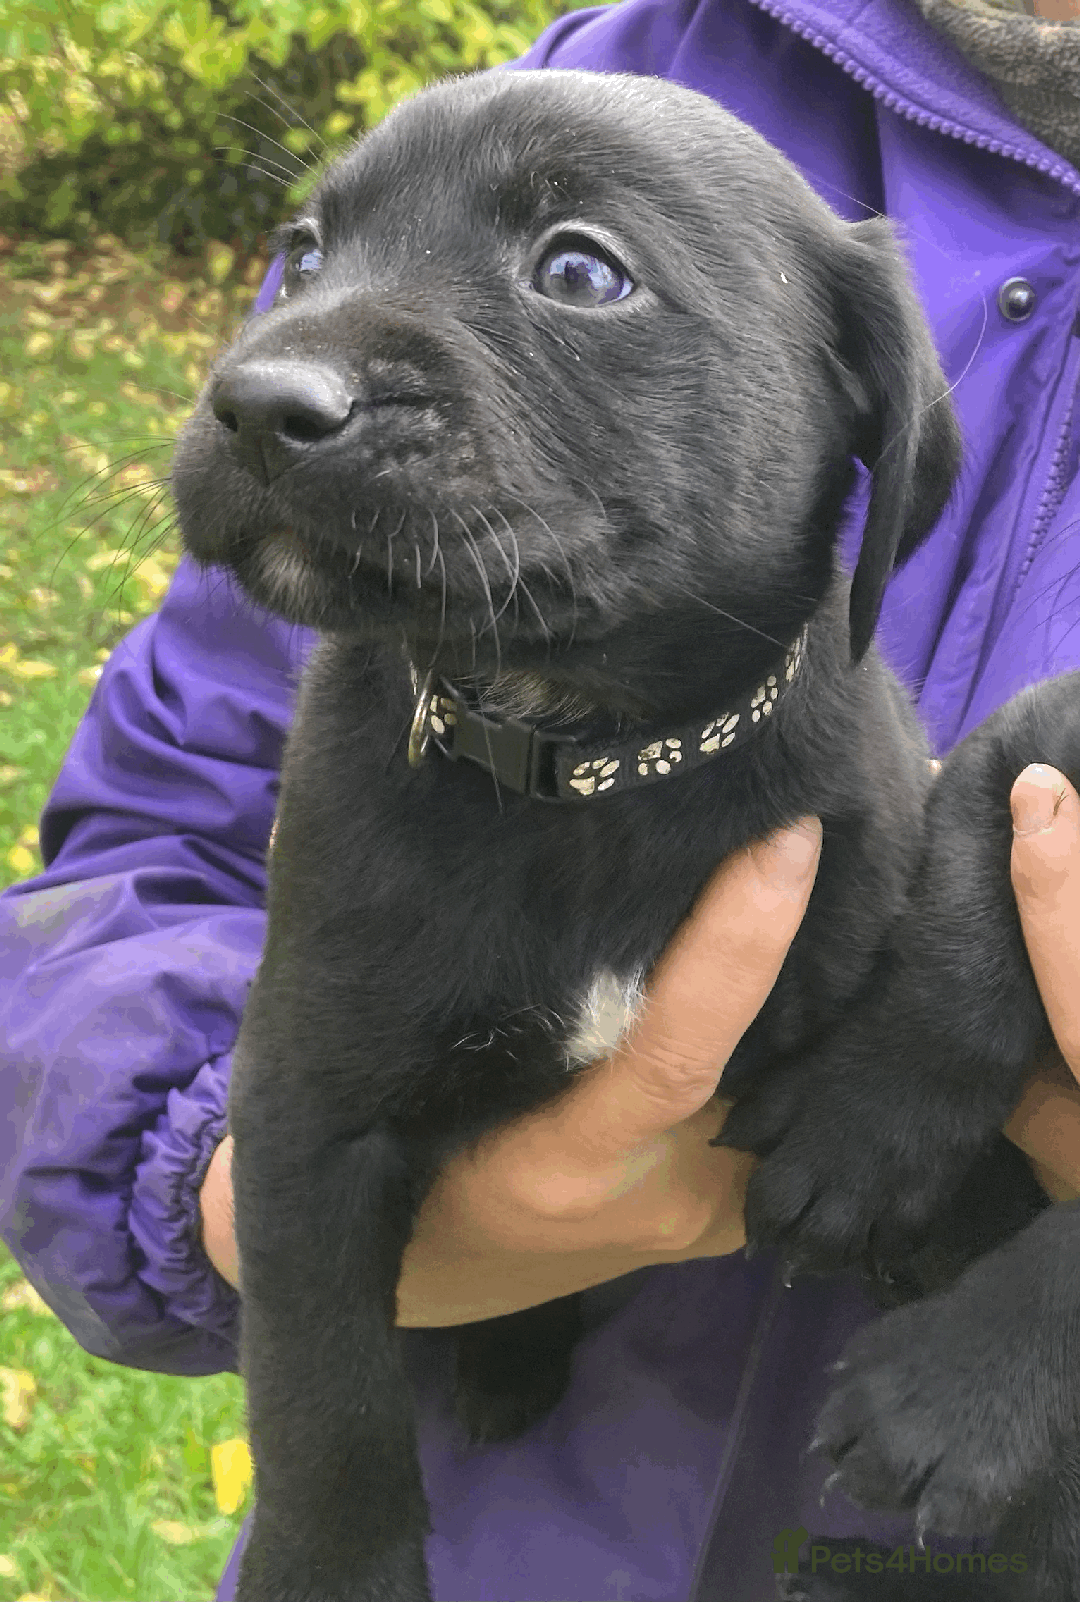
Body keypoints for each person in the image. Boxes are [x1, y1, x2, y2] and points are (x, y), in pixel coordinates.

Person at [1, 0, 1078, 1595]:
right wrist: (217, 1184)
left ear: (880, 444)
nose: (277, 371)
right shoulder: (622, 61)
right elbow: (165, 837)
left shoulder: (864, 791)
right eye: (310, 251)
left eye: (578, 270)